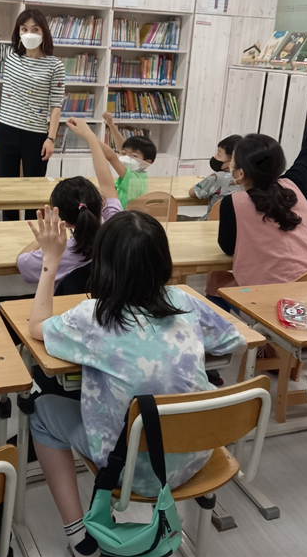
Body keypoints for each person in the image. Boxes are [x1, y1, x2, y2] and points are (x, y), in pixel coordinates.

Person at [27, 208, 245, 557]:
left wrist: (51, 260)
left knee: (40, 412)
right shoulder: (184, 300)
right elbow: (234, 341)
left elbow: (36, 327)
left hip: (130, 473)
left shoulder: (93, 316)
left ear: (103, 263)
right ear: (163, 261)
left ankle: (77, 534)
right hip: (194, 457)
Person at [212, 67, 307, 307]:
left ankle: (235, 340)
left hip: (275, 300)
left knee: (215, 281)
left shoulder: (233, 203)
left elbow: (228, 248)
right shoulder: (296, 183)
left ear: (239, 173)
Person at [0, 0, 65, 220]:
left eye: (35, 29)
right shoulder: (9, 55)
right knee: (7, 188)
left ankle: (34, 235)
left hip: (36, 135)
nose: (29, 33)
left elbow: (55, 105)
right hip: (7, 131)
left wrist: (51, 138)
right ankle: (8, 228)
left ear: (44, 32)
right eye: (24, 29)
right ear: (18, 32)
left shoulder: (55, 65)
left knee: (34, 190)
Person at [17, 118, 121, 291]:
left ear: (63, 221)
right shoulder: (117, 228)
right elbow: (107, 184)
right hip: (108, 306)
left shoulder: (60, 250)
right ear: (102, 203)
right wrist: (89, 136)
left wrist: (45, 237)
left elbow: (22, 262)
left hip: (67, 312)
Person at [100, 112, 155, 207]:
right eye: (124, 153)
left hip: (124, 218)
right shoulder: (139, 174)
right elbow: (123, 147)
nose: (126, 157)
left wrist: (88, 135)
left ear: (146, 162)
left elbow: (112, 157)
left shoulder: (132, 178)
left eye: (134, 156)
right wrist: (111, 125)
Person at [188, 133, 244, 220]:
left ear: (232, 160)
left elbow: (192, 193)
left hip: (210, 224)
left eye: (219, 154)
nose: (214, 157)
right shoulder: (249, 179)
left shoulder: (217, 178)